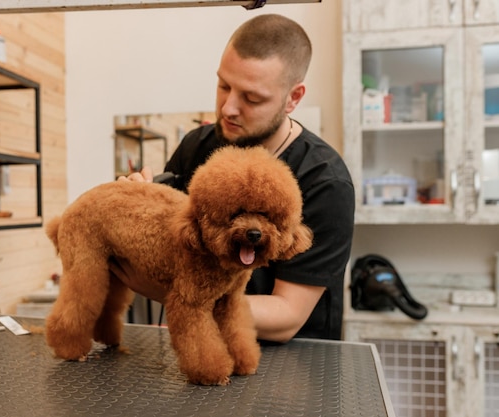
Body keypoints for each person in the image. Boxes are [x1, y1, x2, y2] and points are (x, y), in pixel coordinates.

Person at [113, 14, 354, 342]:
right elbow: (174, 242)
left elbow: (286, 315)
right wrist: (134, 208)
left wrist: (175, 293)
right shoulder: (196, 147)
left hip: (292, 368)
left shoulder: (325, 181)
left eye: (251, 98)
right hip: (204, 346)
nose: (227, 108)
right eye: (224, 85)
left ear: (293, 98)